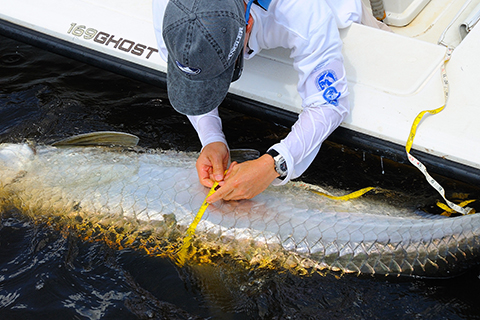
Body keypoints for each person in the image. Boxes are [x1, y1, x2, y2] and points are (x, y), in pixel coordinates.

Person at [152, 0, 387, 203]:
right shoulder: (174, 12)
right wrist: (211, 138)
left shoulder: (301, 11)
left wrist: (274, 164)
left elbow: (330, 103)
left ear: (248, 26)